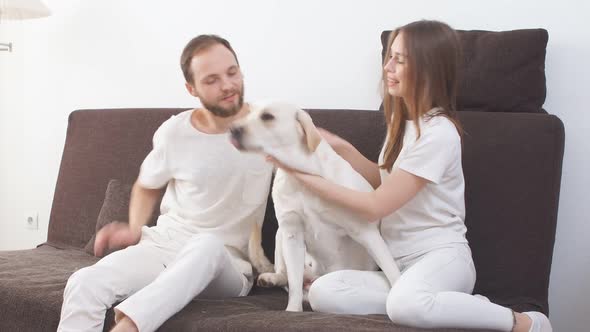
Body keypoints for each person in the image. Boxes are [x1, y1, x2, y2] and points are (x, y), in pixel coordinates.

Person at [268, 20, 552, 332]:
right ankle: (444, 304)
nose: (387, 67)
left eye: (399, 60)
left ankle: (524, 323)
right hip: (399, 264)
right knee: (323, 292)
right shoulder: (403, 125)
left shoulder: (438, 133)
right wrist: (343, 148)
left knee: (405, 304)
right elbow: (384, 182)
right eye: (389, 57)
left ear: (428, 69)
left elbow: (376, 206)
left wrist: (300, 173)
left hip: (441, 258)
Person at [58, 35, 273, 332]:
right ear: (192, 89)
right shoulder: (174, 132)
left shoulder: (270, 125)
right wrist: (134, 228)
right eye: (211, 80)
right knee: (85, 283)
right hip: (164, 247)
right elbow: (147, 185)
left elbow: (319, 162)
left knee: (206, 245)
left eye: (232, 72)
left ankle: (130, 326)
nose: (227, 85)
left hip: (225, 265)